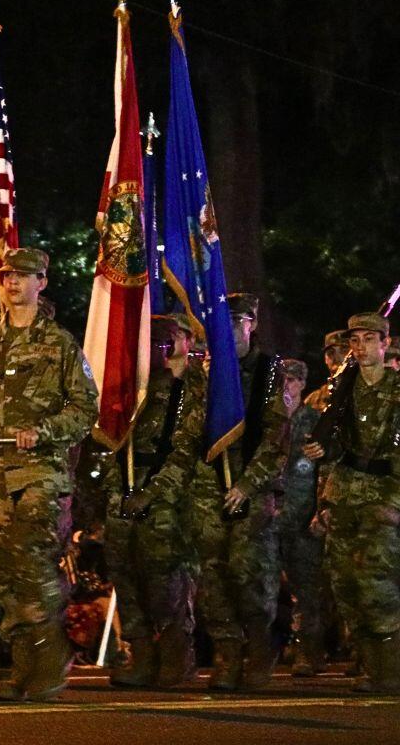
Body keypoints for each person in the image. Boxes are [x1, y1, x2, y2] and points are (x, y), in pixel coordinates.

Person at [0, 248, 98, 702]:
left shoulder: (60, 343)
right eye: (6, 275)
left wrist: (41, 432)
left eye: (23, 276)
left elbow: (84, 409)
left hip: (42, 473)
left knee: (35, 562)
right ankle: (24, 665)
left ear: (42, 282)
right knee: (2, 574)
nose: (12, 282)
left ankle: (50, 662)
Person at [144, 292, 288, 690]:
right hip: (208, 486)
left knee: (248, 572)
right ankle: (227, 654)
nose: (231, 328)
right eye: (224, 321)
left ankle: (259, 651)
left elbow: (277, 440)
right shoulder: (203, 376)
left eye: (239, 320)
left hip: (250, 485)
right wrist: (164, 485)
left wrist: (247, 484)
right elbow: (188, 436)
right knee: (215, 574)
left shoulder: (268, 372)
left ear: (252, 324)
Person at [302, 313, 400, 694]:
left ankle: (390, 672)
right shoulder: (341, 390)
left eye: (367, 339)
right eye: (354, 341)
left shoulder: (396, 389)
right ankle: (374, 670)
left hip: (382, 496)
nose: (359, 347)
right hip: (343, 497)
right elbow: (333, 447)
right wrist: (323, 489)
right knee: (346, 588)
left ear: (385, 343)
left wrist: (395, 503)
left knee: (378, 587)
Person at [106, 314, 198, 688]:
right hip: (123, 487)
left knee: (166, 579)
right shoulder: (133, 387)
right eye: (154, 342)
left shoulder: (194, 387)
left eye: (168, 341)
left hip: (168, 495)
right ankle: (141, 656)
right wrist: (120, 490)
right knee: (125, 574)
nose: (161, 348)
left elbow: (187, 449)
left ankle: (177, 656)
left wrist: (152, 492)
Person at [276, 358, 329, 677]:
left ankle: (309, 653)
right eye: (282, 380)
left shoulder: (316, 421)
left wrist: (321, 510)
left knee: (307, 592)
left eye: (293, 381)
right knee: (262, 586)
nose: (287, 386)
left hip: (303, 517)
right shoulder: (269, 420)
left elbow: (327, 469)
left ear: (302, 384)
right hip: (270, 517)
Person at [303, 331, 349, 412]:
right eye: (331, 352)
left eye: (343, 350)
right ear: (325, 359)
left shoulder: (362, 390)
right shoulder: (314, 399)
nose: (336, 357)